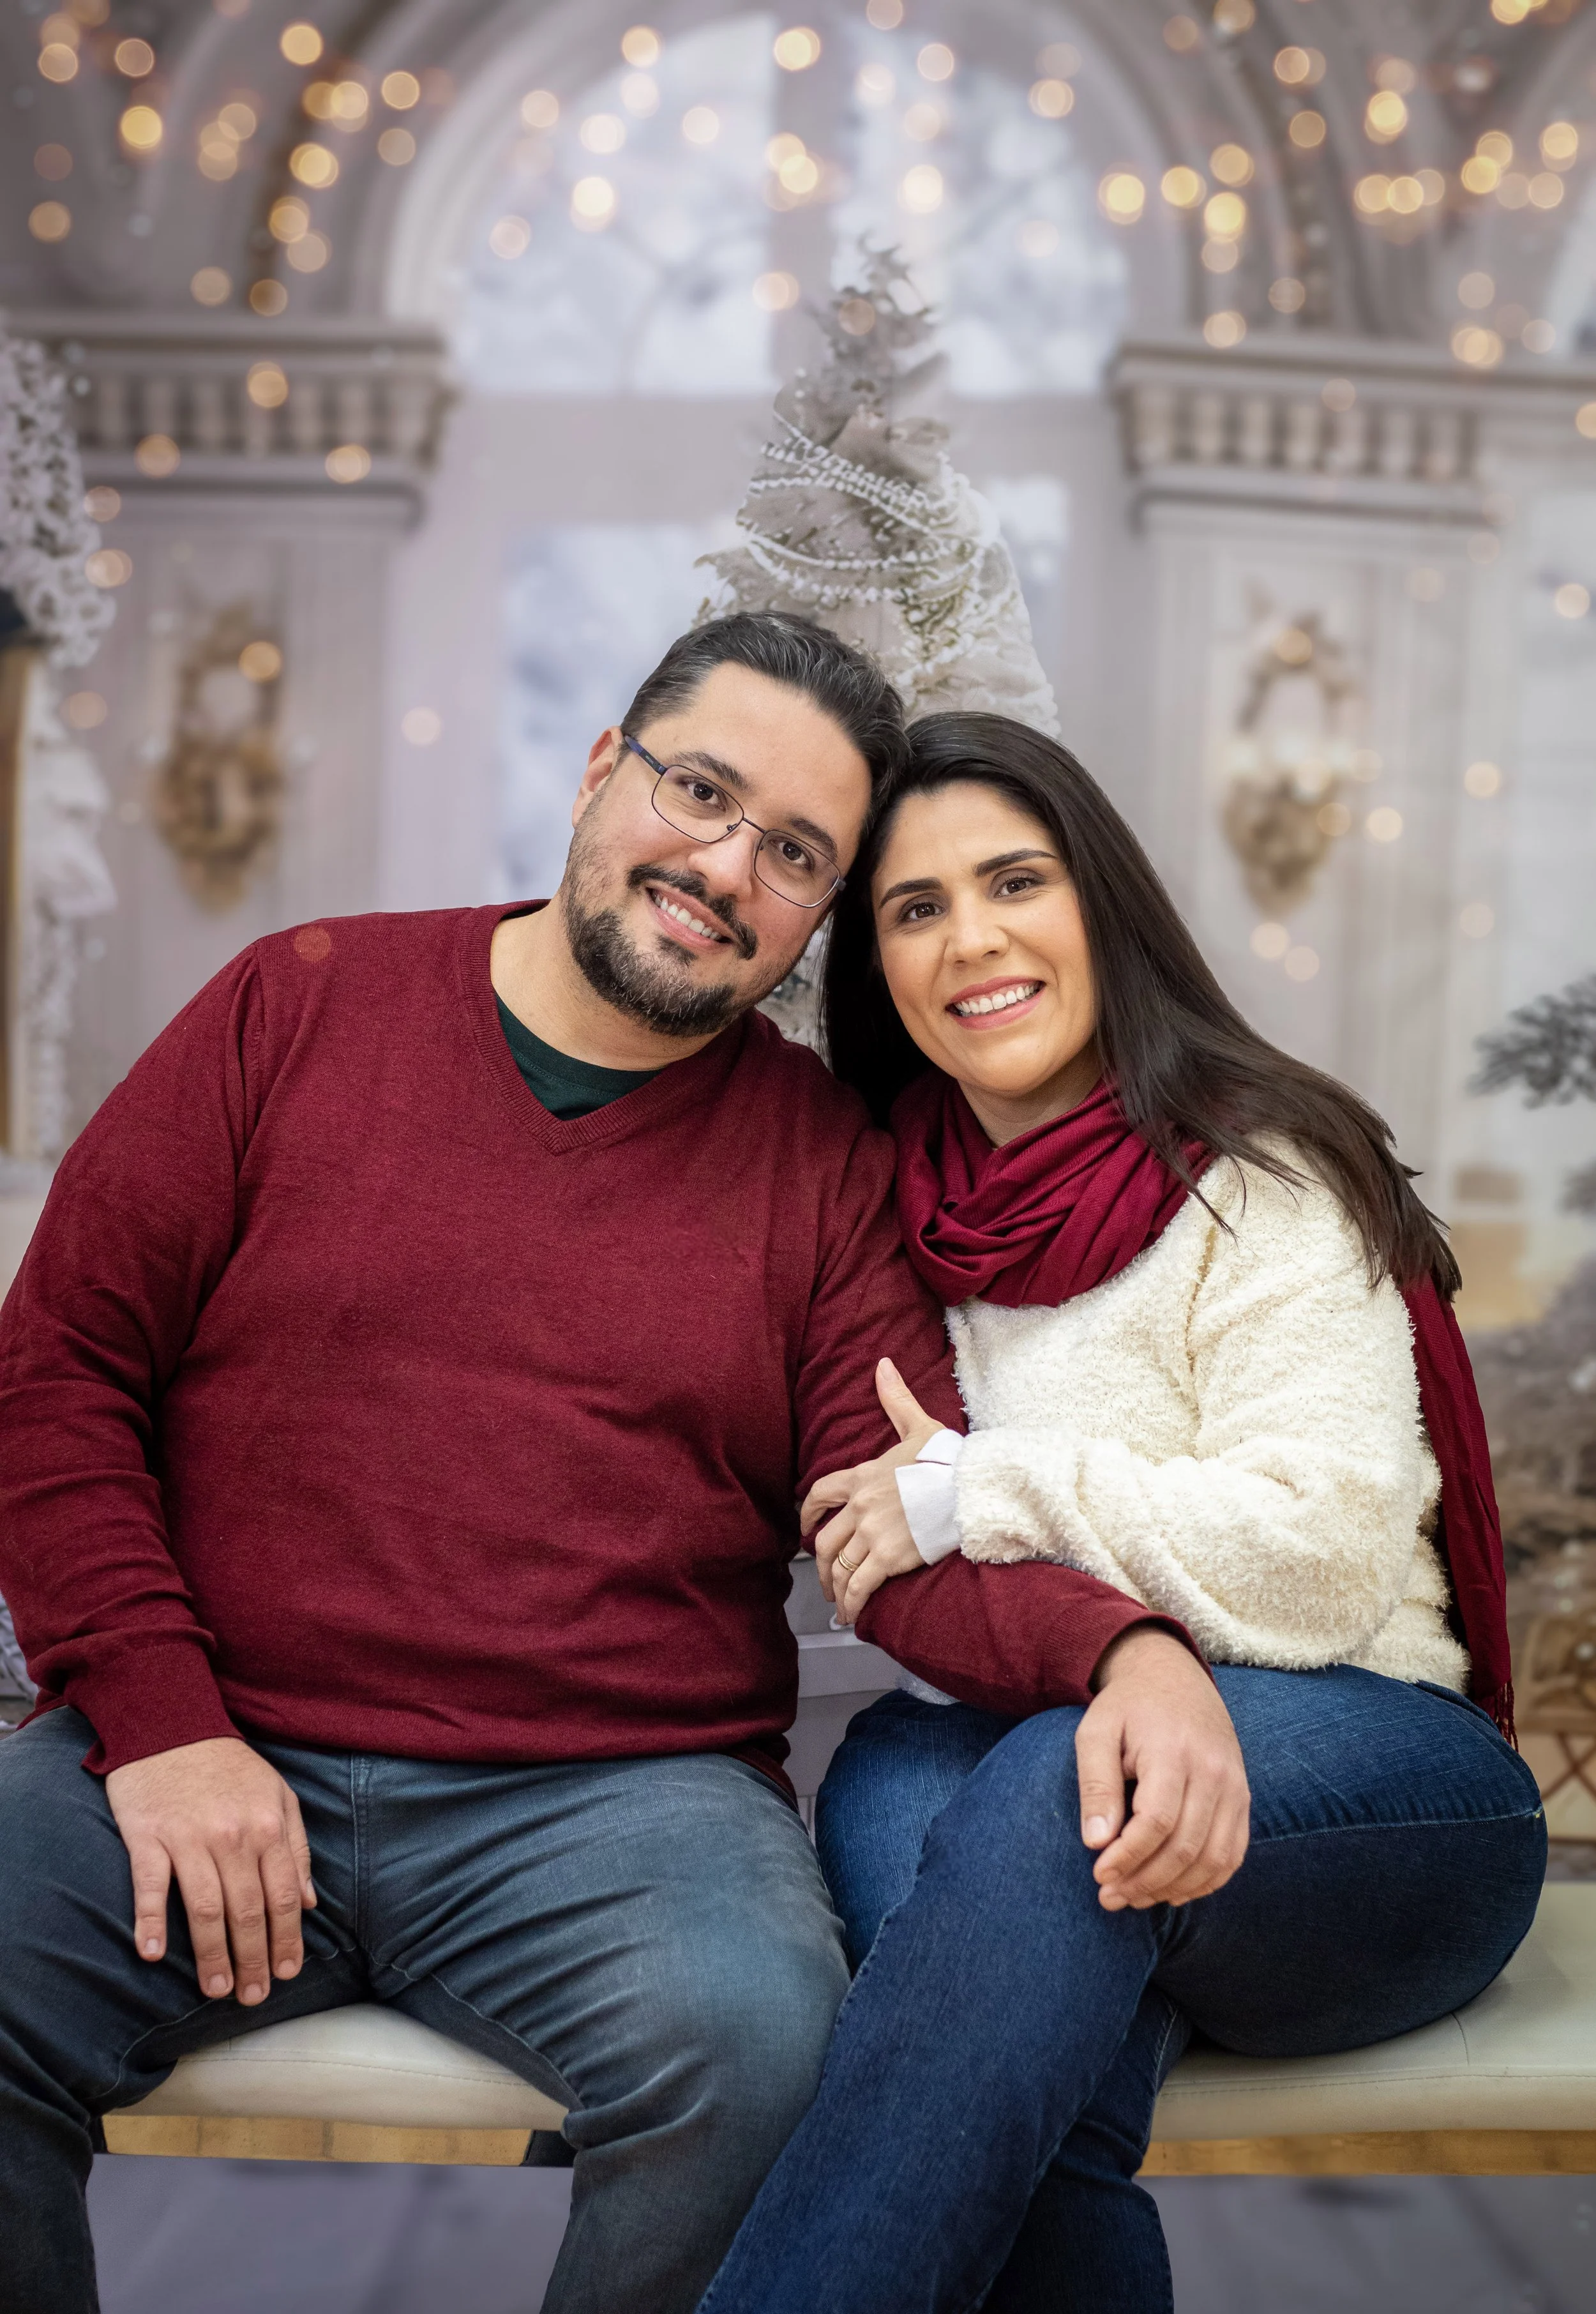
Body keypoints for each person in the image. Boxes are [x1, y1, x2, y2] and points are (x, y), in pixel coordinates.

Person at [0, 619, 1237, 2314]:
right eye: (700, 793)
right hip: (206, 1735)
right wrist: (161, 1725)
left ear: (817, 919)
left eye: (793, 853)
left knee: (764, 2047)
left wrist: (1119, 1647)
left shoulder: (817, 1161)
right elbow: (57, 1370)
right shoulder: (294, 1006)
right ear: (602, 774)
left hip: (612, 1800)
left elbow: (908, 1517)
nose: (725, 868)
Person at [696, 713, 1547, 2314]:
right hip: (1032, 1751)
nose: (973, 940)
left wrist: (982, 1487)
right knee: (970, 1943)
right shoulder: (885, 1208)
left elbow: (1313, 1558)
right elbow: (870, 1545)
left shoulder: (1264, 1174)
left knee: (1026, 1801)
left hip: (1374, 1787)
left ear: (1099, 903)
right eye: (914, 907)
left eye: (1014, 880)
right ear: (874, 966)